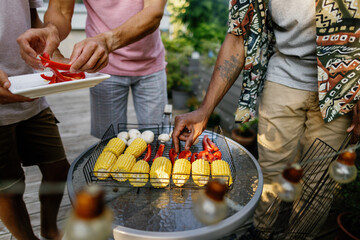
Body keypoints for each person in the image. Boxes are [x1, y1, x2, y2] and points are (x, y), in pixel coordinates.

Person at [172, 0, 360, 238]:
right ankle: (264, 233)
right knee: (272, 175)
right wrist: (204, 110)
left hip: (343, 87)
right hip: (285, 75)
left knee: (318, 186)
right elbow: (237, 37)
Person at [19, 0, 168, 139]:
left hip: (150, 64)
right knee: (109, 142)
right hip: (102, 68)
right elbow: (61, 10)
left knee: (159, 137)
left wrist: (107, 41)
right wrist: (51, 30)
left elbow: (153, 11)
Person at [0, 1, 74, 239]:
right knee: (8, 188)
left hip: (30, 89)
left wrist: (50, 48)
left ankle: (50, 230)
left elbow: (31, 16)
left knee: (58, 168)